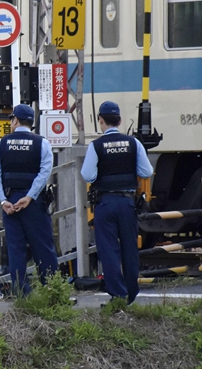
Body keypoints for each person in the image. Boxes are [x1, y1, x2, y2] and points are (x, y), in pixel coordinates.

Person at [80, 101, 153, 305]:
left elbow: (87, 174)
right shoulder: (133, 143)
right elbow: (146, 172)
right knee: (130, 248)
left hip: (105, 203)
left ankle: (117, 295)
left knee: (108, 250)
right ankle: (131, 294)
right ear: (120, 121)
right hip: (127, 203)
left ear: (100, 121)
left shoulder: (96, 145)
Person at [0, 104, 58, 296]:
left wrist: (3, 200)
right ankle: (53, 291)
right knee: (43, 247)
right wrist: (30, 196)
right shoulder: (41, 143)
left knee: (15, 249)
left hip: (10, 201)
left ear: (15, 120)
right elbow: (44, 173)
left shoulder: (0, 144)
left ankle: (21, 293)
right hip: (34, 202)